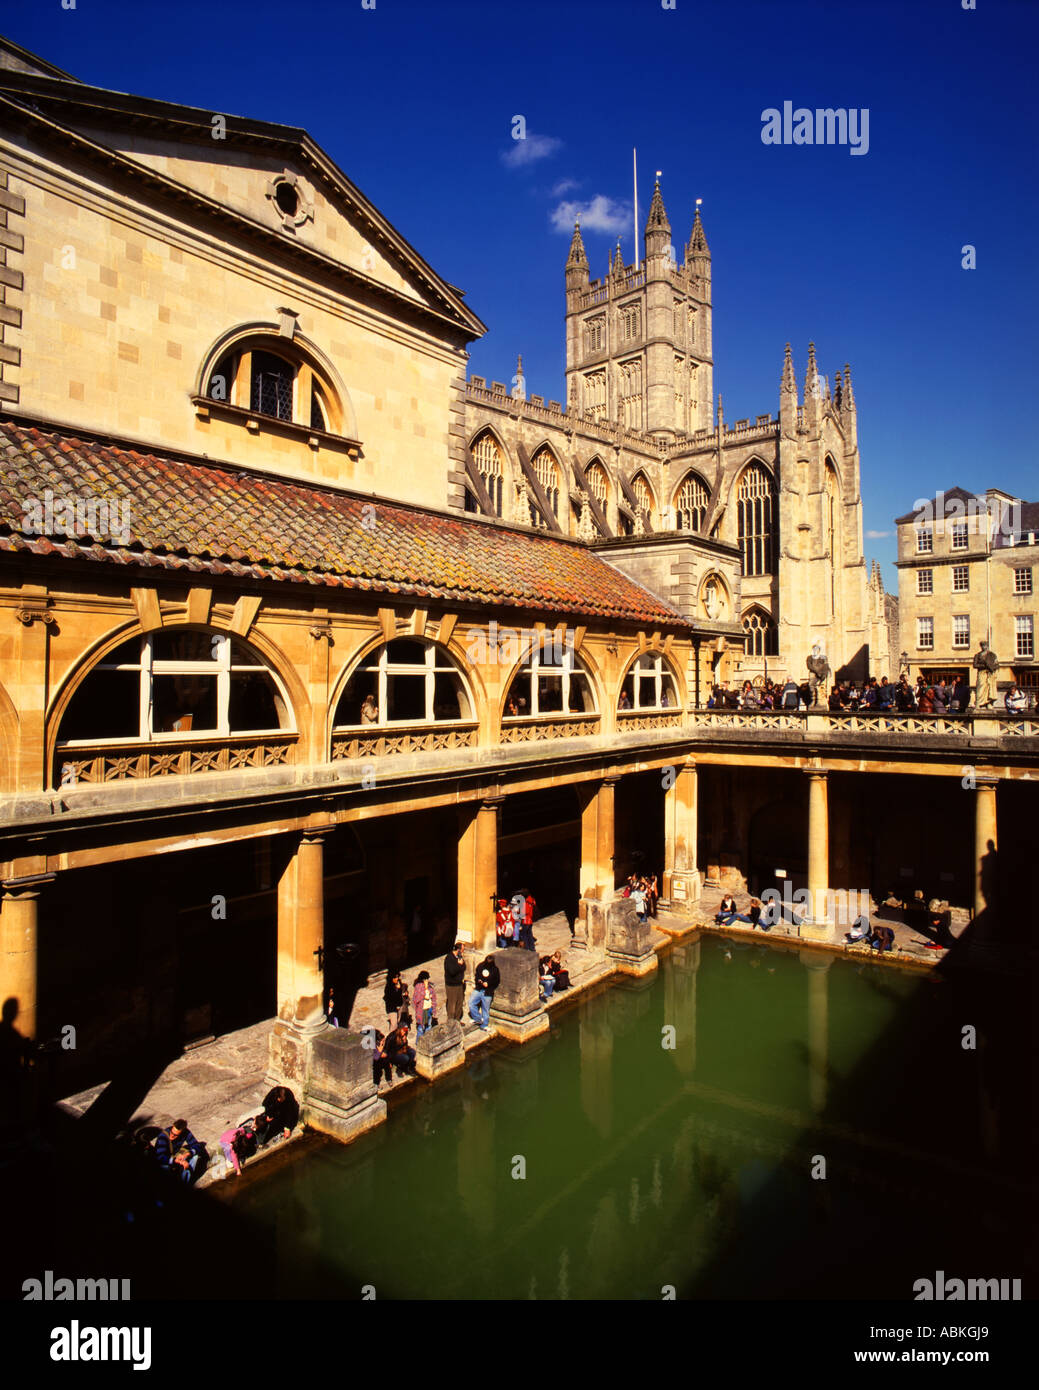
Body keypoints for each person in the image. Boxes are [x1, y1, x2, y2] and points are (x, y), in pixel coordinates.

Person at [155, 1118, 201, 1184]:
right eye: (172, 1132)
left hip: (176, 1155)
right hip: (165, 1159)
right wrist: (177, 1161)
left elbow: (197, 1145)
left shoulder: (186, 1132)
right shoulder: (163, 1137)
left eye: (175, 1135)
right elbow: (160, 1157)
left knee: (195, 1156)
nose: (172, 1136)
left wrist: (188, 1153)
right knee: (165, 1168)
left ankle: (185, 1181)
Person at [469, 955, 500, 1030]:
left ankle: (484, 1025)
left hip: (488, 992)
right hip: (479, 989)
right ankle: (478, 1019)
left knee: (485, 1009)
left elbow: (497, 981)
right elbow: (477, 976)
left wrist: (488, 984)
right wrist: (479, 981)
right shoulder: (480, 966)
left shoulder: (495, 970)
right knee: (471, 1003)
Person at [444, 942, 466, 1021]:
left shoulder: (459, 957)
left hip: (459, 984)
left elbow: (464, 967)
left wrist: (461, 965)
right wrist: (459, 965)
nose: (463, 952)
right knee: (452, 1005)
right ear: (459, 950)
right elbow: (452, 971)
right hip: (451, 985)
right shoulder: (449, 958)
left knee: (459, 1004)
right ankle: (450, 1022)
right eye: (462, 950)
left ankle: (457, 1021)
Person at [412, 970, 437, 1037]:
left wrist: (434, 1009)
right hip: (423, 1010)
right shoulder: (418, 987)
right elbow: (418, 999)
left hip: (429, 1009)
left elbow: (433, 998)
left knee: (428, 1026)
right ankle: (419, 1042)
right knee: (421, 1028)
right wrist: (426, 989)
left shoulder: (430, 987)